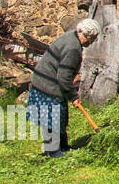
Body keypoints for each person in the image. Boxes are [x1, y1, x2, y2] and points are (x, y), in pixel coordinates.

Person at [27, 19, 100, 157]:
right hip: (47, 84)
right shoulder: (73, 48)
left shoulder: (70, 36)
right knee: (52, 118)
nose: (92, 42)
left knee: (60, 115)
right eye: (93, 39)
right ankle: (53, 151)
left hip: (43, 79)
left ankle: (63, 146)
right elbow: (64, 77)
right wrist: (73, 96)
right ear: (88, 36)